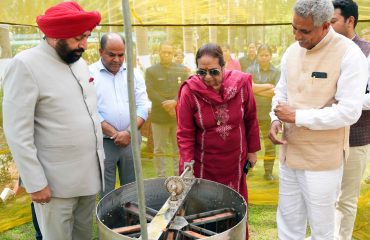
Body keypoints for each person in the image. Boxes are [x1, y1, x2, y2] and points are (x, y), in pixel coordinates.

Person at [2, 2, 104, 239]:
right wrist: (35, 183)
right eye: (79, 37)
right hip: (54, 186)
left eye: (87, 37)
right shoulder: (25, 64)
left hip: (89, 178)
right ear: (55, 34)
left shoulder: (79, 63)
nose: (84, 45)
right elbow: (17, 132)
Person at [268, 0, 368, 239]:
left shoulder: (349, 53)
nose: (297, 36)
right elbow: (281, 91)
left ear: (325, 26)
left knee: (322, 228)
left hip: (323, 159)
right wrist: (275, 118)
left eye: (304, 31)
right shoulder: (292, 51)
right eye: (294, 28)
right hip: (289, 152)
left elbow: (349, 111)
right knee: (288, 220)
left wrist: (298, 116)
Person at [176, 43, 261, 239]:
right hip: (205, 166)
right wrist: (187, 166)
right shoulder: (190, 91)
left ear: (224, 67)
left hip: (235, 164)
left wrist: (252, 151)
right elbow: (185, 133)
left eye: (214, 72)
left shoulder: (241, 85)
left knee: (234, 207)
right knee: (205, 212)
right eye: (201, 72)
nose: (207, 78)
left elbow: (250, 117)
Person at [90, 33, 149, 198]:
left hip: (131, 140)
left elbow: (143, 106)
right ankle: (110, 222)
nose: (116, 59)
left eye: (121, 55)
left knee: (132, 188)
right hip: (103, 142)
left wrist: (128, 133)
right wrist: (115, 134)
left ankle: (131, 221)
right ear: (101, 51)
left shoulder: (134, 73)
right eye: (111, 54)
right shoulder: (89, 74)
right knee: (106, 190)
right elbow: (89, 110)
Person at [330, 0, 370, 239]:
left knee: (345, 199)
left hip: (356, 137)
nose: (328, 26)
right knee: (324, 195)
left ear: (350, 21)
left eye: (333, 21)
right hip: (326, 136)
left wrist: (344, 103)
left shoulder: (367, 52)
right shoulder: (325, 51)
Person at [145, 42, 189, 177]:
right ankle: (161, 178)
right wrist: (166, 104)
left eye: (169, 53)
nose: (167, 55)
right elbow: (150, 92)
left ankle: (178, 177)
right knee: (159, 149)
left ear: (173, 53)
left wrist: (175, 102)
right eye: (164, 52)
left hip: (178, 116)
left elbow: (185, 89)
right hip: (159, 116)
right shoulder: (151, 71)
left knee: (178, 148)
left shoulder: (182, 69)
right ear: (159, 53)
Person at [247, 44, 280, 181]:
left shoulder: (277, 72)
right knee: (248, 144)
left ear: (270, 56)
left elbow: (277, 91)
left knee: (270, 144)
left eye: (267, 55)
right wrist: (267, 87)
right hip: (252, 113)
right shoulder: (251, 70)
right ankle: (248, 170)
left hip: (269, 113)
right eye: (262, 55)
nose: (264, 58)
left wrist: (258, 90)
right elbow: (249, 88)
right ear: (258, 56)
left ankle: (268, 172)